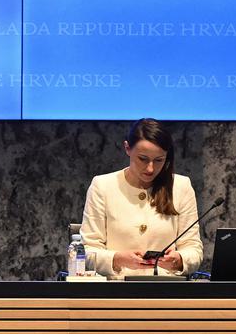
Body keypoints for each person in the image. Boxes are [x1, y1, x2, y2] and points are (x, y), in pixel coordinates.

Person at [80, 118, 202, 277]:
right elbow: (86, 252)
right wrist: (117, 259)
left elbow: (193, 249)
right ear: (127, 148)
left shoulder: (181, 186)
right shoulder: (102, 186)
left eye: (159, 160)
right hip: (116, 287)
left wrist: (178, 260)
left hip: (166, 287)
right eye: (143, 159)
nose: (150, 168)